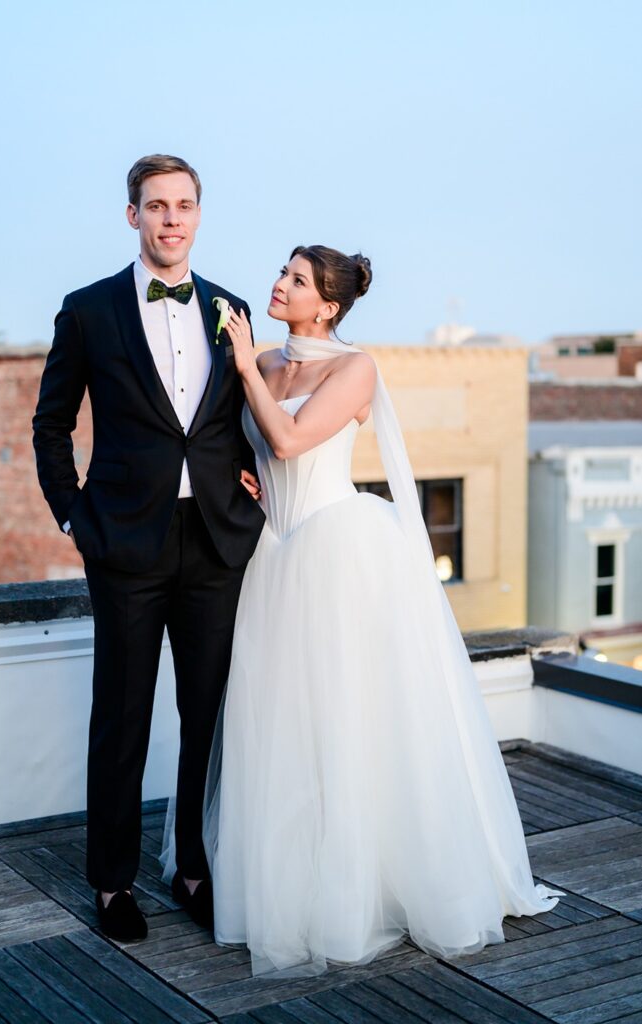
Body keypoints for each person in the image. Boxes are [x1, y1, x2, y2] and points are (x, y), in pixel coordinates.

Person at [162, 243, 561, 976]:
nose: (279, 285)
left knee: (349, 722)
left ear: (330, 305)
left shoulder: (354, 368)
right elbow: (244, 448)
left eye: (297, 281)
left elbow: (286, 437)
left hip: (332, 549)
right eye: (283, 273)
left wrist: (245, 365)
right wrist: (241, 476)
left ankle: (362, 889)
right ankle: (283, 882)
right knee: (275, 728)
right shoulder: (269, 363)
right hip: (268, 555)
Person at [33, 154, 265, 942]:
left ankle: (193, 868)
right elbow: (51, 424)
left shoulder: (232, 310)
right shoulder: (89, 310)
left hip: (213, 545)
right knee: (122, 717)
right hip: (124, 545)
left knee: (206, 716)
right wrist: (75, 516)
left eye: (184, 204)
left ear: (199, 214)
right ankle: (111, 884)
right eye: (156, 205)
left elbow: (239, 416)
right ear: (131, 215)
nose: (171, 218)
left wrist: (250, 483)